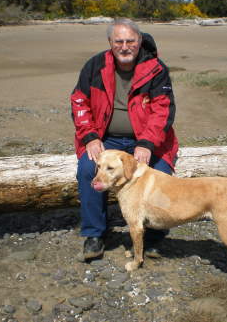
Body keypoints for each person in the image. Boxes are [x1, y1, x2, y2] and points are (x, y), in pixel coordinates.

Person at [70, 18, 178, 261]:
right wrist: (90, 137)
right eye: (119, 41)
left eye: (130, 41)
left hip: (148, 139)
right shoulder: (95, 66)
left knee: (160, 173)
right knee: (89, 170)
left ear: (139, 42)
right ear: (110, 42)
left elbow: (163, 110)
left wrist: (147, 143)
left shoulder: (156, 69)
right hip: (107, 139)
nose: (125, 46)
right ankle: (95, 234)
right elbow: (79, 101)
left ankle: (153, 235)